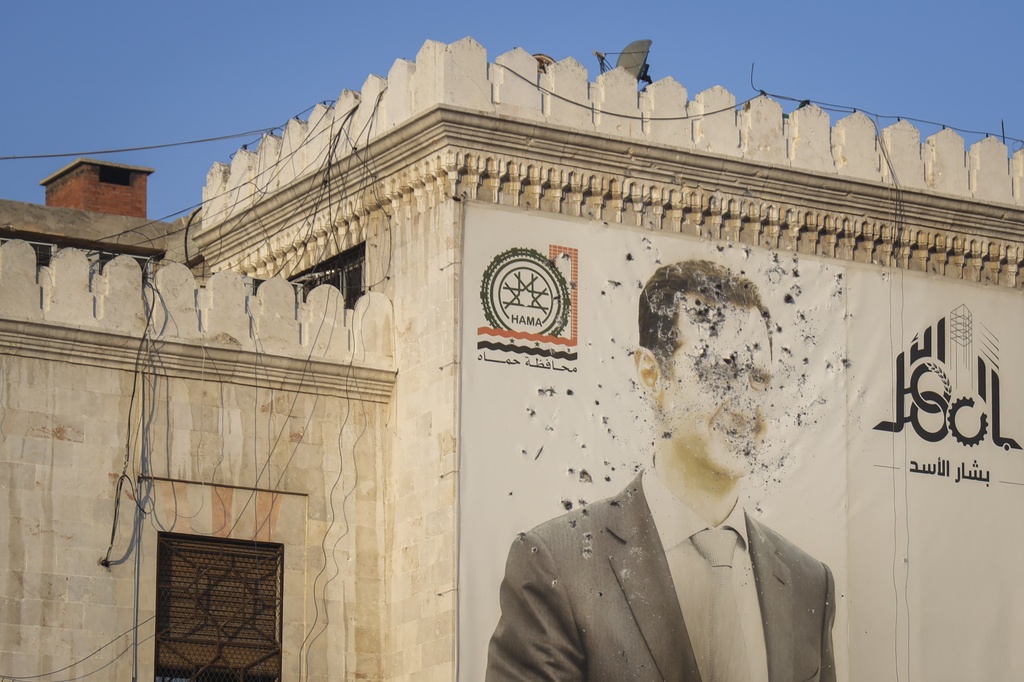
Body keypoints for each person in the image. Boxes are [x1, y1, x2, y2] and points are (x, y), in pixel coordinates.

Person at [485, 260, 835, 682]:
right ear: (651, 374)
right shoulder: (558, 566)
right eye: (718, 372)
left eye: (758, 378)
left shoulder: (808, 583)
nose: (745, 404)